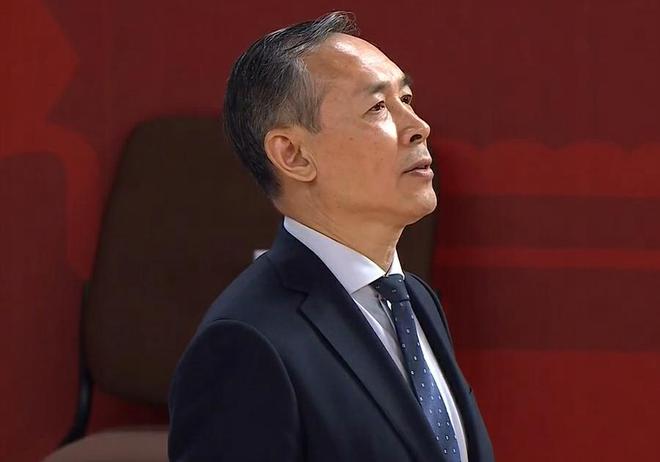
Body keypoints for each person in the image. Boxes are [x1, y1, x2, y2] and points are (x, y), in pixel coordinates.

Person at [168, 11, 494, 462]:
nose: (419, 126)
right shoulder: (245, 343)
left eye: (406, 98)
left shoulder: (414, 300)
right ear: (294, 155)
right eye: (378, 108)